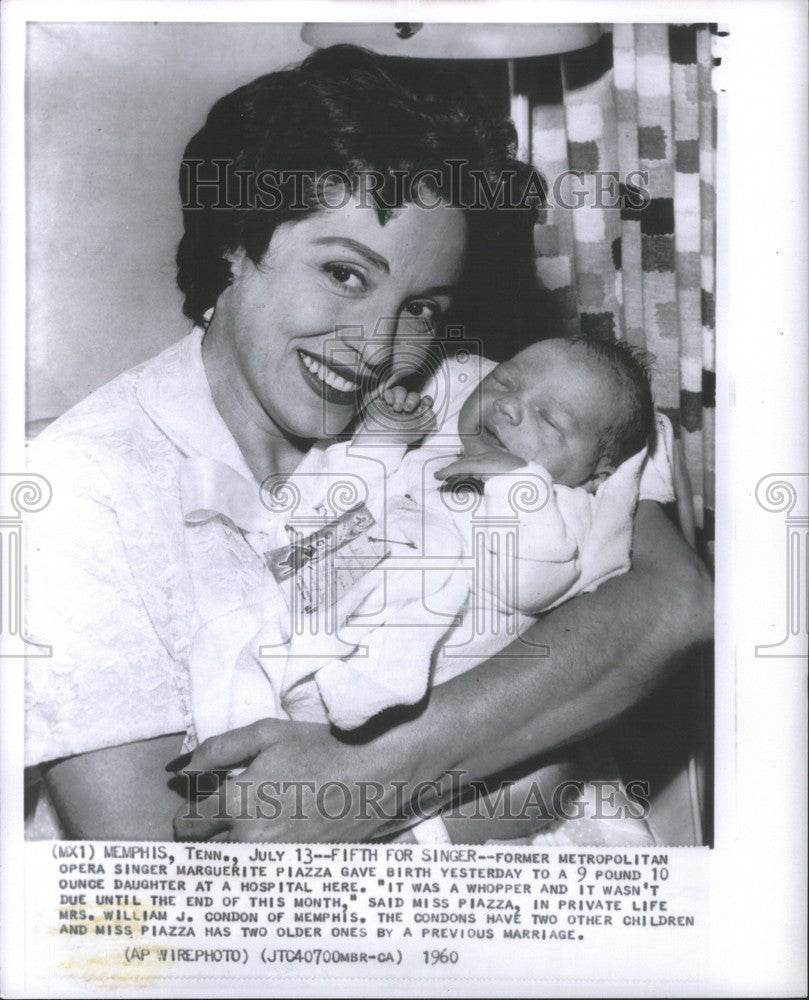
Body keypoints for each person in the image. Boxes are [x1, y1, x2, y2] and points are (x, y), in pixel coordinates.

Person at [25, 45, 712, 843]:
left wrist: (367, 774)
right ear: (235, 243)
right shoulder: (81, 489)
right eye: (345, 275)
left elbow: (672, 605)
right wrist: (491, 779)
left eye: (422, 306)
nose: (378, 347)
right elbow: (156, 868)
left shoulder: (481, 395)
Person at [186, 336, 669, 741]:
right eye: (504, 381)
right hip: (323, 600)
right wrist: (383, 441)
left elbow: (528, 583)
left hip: (399, 679)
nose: (507, 406)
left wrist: (517, 483)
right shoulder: (435, 453)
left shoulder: (565, 508)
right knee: (230, 644)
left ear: (594, 475)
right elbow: (335, 504)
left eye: (549, 420)